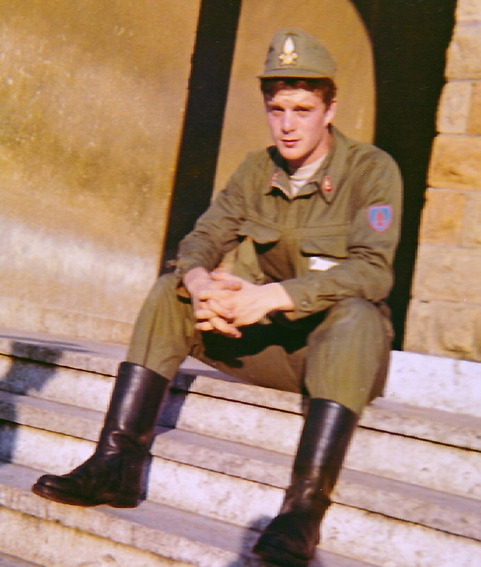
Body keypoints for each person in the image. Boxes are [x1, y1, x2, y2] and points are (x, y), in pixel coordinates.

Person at [32, 28, 402, 567]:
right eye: (277, 109)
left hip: (338, 357)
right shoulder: (257, 169)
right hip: (275, 348)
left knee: (356, 315)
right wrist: (201, 282)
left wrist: (273, 296)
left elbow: (373, 272)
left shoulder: (371, 171)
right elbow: (203, 237)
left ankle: (302, 513)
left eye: (303, 109)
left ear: (330, 110)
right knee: (172, 290)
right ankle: (116, 463)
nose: (288, 124)